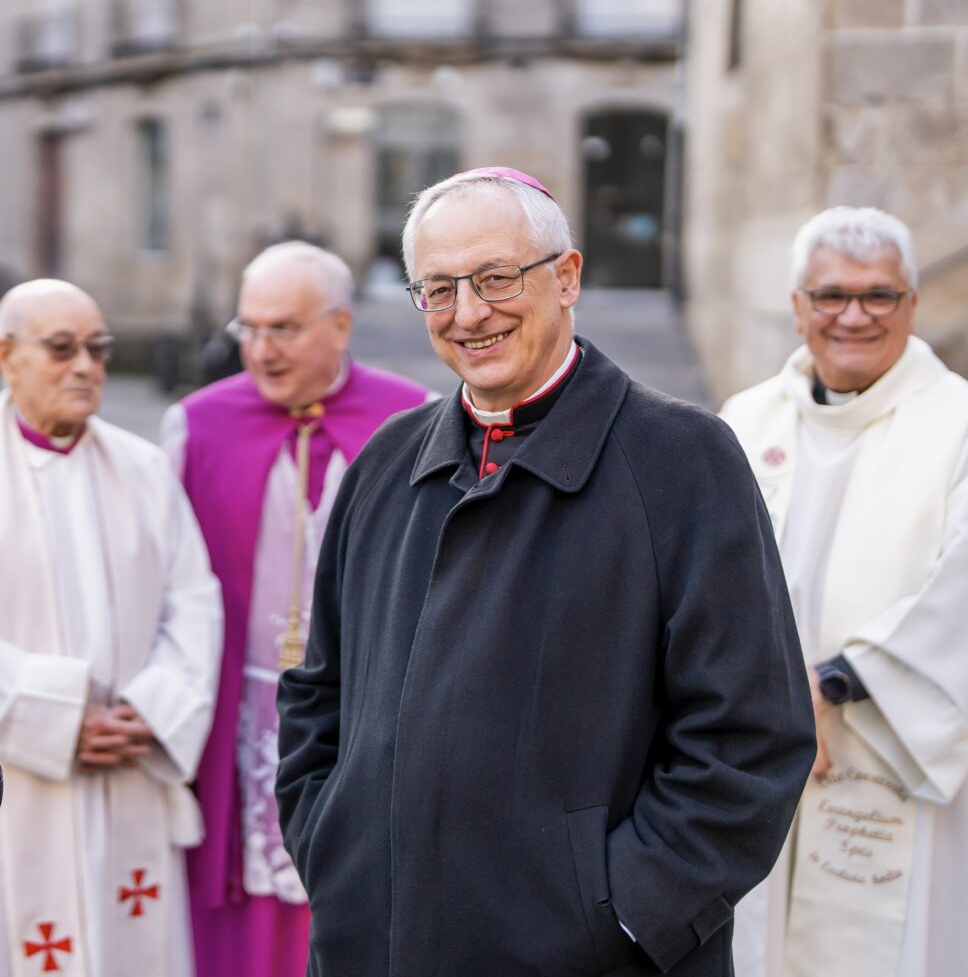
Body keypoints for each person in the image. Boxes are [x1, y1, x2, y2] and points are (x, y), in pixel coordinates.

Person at [276, 167, 816, 976]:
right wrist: (335, 849)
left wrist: (620, 917)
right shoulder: (387, 460)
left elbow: (749, 739)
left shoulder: (684, 460)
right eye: (439, 288)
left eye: (495, 278)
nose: (469, 314)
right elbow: (319, 694)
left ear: (566, 278)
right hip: (375, 944)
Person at [162, 242, 431, 977]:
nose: (260, 349)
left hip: (360, 711)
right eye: (247, 328)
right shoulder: (195, 426)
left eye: (283, 328)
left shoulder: (415, 420)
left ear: (340, 327)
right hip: (232, 712)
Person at [721, 207, 968, 977]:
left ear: (911, 306)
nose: (852, 316)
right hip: (755, 749)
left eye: (878, 296)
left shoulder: (958, 422)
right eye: (830, 296)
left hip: (895, 748)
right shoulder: (743, 420)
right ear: (797, 307)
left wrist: (832, 684)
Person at [0, 279, 222, 977]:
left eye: (98, 349)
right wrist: (54, 714)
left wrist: (151, 710)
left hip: (129, 767)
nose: (87, 367)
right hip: (19, 781)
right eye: (61, 349)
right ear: (7, 355)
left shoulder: (145, 469)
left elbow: (195, 602)